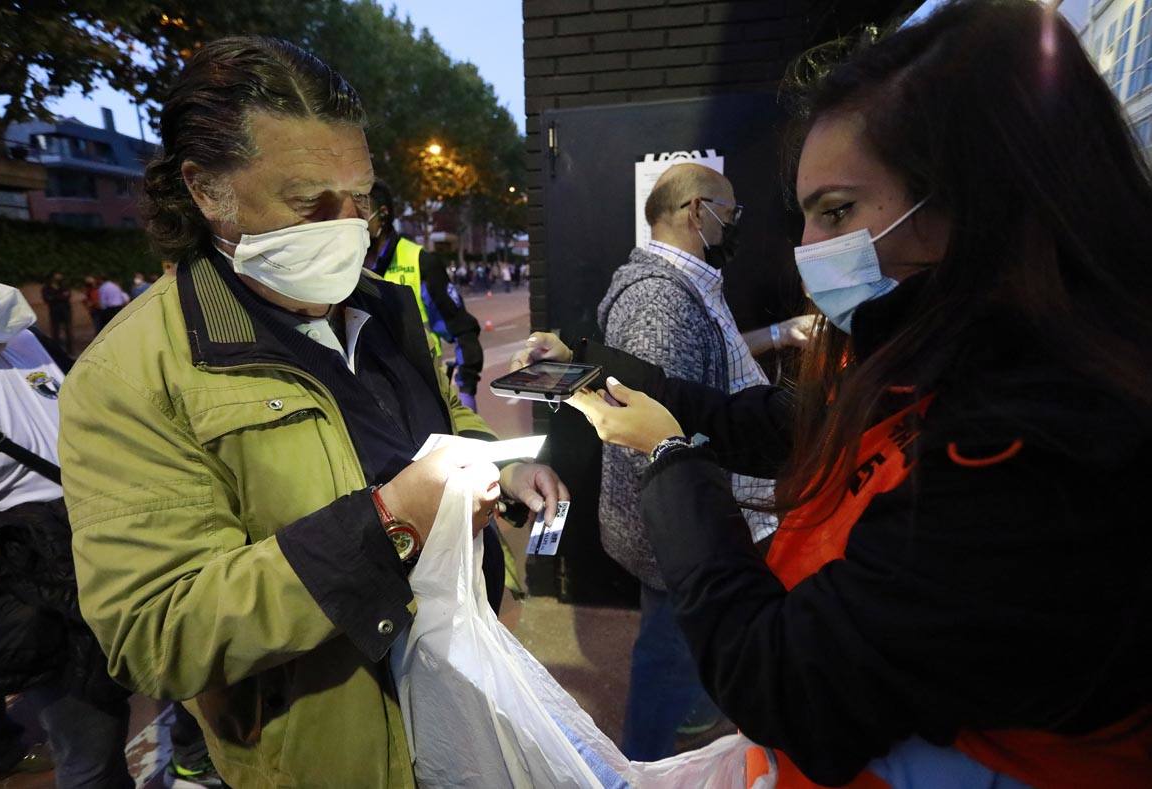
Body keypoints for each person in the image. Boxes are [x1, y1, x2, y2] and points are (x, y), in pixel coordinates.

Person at [513, 2, 1152, 786]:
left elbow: (787, 677)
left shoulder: (1037, 449)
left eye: (837, 211)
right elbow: (755, 414)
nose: (806, 248)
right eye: (810, 215)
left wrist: (668, 452)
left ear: (971, 197)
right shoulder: (934, 361)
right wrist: (602, 383)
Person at [57, 36, 566, 788]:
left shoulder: (384, 308)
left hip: (463, 696)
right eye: (309, 204)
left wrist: (503, 460)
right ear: (206, 191)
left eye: (360, 198)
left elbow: (441, 420)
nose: (349, 226)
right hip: (332, 754)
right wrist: (391, 520)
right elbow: (156, 630)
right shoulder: (133, 374)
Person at [597, 162, 776, 760]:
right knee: (665, 655)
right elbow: (652, 430)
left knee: (678, 646)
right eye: (731, 211)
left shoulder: (688, 284)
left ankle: (689, 720)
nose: (737, 223)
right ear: (699, 212)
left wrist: (777, 334)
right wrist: (685, 529)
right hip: (680, 523)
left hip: (688, 515)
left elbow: (701, 370)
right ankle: (641, 765)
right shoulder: (659, 300)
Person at [0, 253, 135, 788]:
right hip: (45, 611)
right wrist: (38, 541)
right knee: (92, 756)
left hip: (119, 564)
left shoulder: (26, 342)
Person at [364, 180, 485, 411]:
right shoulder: (349, 267)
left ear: (383, 215)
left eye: (362, 211)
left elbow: (461, 329)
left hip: (423, 393)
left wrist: (466, 390)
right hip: (373, 399)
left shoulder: (420, 263)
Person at [41, 272, 73, 356]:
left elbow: (67, 295)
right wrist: (60, 296)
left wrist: (55, 297)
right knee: (55, 331)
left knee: (68, 330)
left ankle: (70, 350)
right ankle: (57, 351)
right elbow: (47, 298)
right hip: (54, 312)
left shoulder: (64, 286)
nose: (59, 279)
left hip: (65, 311)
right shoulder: (46, 288)